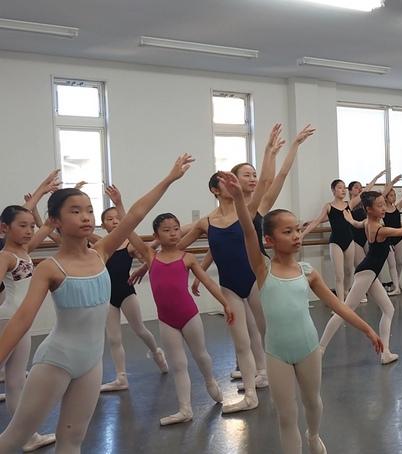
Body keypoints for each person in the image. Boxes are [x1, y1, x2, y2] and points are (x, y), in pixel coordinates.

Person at [0, 155, 193, 452]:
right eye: (75, 211)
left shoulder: (101, 252)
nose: (86, 217)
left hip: (91, 363)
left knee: (73, 439)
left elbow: (137, 213)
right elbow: (22, 319)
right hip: (56, 361)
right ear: (55, 221)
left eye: (89, 210)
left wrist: (169, 178)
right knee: (13, 438)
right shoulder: (50, 268)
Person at [219, 171, 383, 453]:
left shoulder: (308, 272)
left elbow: (339, 306)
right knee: (286, 416)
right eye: (287, 232)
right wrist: (237, 199)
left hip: (308, 348)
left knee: (313, 403)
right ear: (269, 240)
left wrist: (368, 329)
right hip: (277, 353)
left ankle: (313, 435)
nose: (296, 236)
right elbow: (247, 231)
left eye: (297, 230)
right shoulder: (263, 269)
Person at [179, 125, 315, 398]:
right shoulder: (208, 221)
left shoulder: (252, 210)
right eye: (245, 175)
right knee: (242, 338)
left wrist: (274, 150)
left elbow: (273, 179)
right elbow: (188, 244)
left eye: (252, 175)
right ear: (220, 188)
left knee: (265, 331)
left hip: (255, 278)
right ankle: (251, 390)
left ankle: (270, 371)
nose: (251, 179)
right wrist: (147, 250)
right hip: (228, 284)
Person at [320, 191, 402, 364]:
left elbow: (357, 224)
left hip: (370, 273)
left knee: (388, 309)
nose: (383, 208)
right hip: (366, 273)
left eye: (383, 204)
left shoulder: (368, 223)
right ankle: (320, 349)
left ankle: (385, 352)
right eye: (379, 206)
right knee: (344, 311)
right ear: (369, 209)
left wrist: (349, 220)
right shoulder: (380, 230)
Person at [134, 213, 236, 425]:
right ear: (156, 236)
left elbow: (207, 281)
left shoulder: (187, 257)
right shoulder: (150, 256)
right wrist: (118, 205)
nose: (173, 233)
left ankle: (210, 381)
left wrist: (225, 303)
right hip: (166, 320)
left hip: (189, 315)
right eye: (166, 230)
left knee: (201, 355)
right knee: (178, 364)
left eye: (176, 229)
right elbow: (129, 232)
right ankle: (185, 409)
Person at [0, 171, 61, 452]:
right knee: (14, 381)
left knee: (15, 382)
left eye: (30, 226)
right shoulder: (6, 256)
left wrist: (43, 191)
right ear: (4, 229)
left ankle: (27, 436)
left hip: (19, 320)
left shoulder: (24, 251)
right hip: (11, 319)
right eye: (22, 226)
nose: (28, 230)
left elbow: (46, 226)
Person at [97, 185, 168, 392]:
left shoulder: (128, 244)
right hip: (108, 296)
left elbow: (145, 250)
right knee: (113, 337)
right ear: (102, 224)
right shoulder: (99, 244)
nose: (114, 221)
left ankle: (156, 352)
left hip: (126, 293)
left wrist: (157, 242)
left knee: (139, 329)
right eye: (109, 219)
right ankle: (121, 377)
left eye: (116, 218)